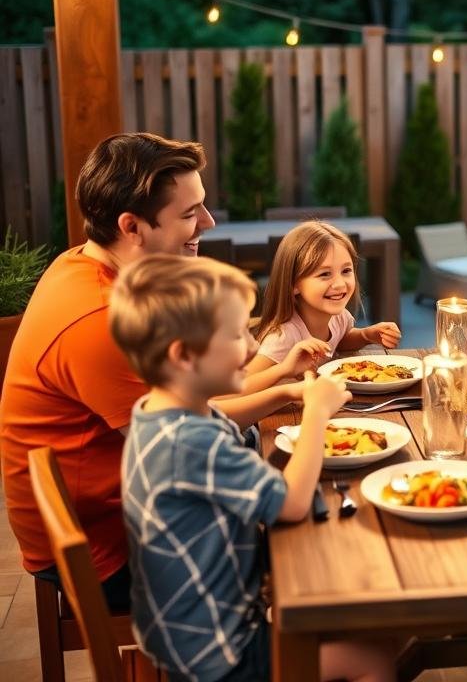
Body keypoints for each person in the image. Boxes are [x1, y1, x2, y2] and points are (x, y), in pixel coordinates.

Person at [0, 132, 303, 611]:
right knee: (307, 552)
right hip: (106, 548)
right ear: (132, 226)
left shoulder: (90, 265)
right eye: (189, 214)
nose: (207, 222)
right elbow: (195, 434)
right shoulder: (102, 318)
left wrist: (285, 385)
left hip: (114, 504)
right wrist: (287, 394)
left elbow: (193, 404)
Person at [110, 254, 395, 682]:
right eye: (237, 334)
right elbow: (293, 504)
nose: (251, 346)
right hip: (219, 653)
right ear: (184, 355)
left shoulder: (162, 414)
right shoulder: (193, 445)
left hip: (185, 627)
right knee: (371, 659)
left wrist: (291, 391)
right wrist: (316, 413)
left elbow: (231, 419)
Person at [243, 221, 402, 391]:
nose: (340, 284)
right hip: (285, 416)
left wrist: (366, 335)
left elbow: (339, 340)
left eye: (346, 271)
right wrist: (282, 371)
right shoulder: (284, 337)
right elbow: (236, 388)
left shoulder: (338, 317)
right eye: (325, 274)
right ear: (294, 284)